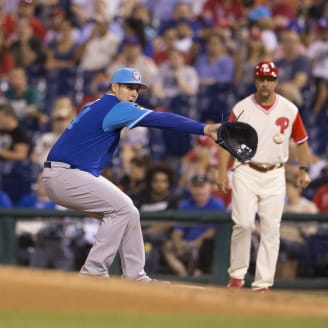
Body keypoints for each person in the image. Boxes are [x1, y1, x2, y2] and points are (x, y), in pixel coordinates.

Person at [41, 67, 221, 283]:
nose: (134, 93)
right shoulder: (116, 107)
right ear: (115, 87)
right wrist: (204, 129)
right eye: (129, 87)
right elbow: (161, 118)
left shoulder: (97, 105)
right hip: (67, 175)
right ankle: (93, 271)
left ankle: (136, 276)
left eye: (137, 89)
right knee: (122, 210)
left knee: (129, 212)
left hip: (64, 174)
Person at [217, 61, 311, 292]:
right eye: (261, 79)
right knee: (244, 223)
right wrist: (222, 172)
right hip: (246, 169)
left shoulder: (289, 108)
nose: (265, 83)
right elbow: (225, 142)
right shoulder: (242, 107)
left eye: (269, 79)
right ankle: (237, 276)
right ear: (255, 81)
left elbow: (301, 140)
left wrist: (303, 169)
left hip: (275, 173)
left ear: (276, 81)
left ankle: (263, 283)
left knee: (271, 228)